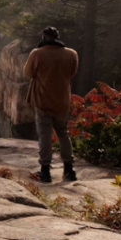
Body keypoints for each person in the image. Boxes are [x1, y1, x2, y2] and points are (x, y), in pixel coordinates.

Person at [24, 26, 79, 182]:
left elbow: (28, 73)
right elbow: (72, 73)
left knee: (45, 135)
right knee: (63, 133)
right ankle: (69, 169)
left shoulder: (37, 54)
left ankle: (45, 170)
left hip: (43, 101)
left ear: (43, 37)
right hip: (62, 100)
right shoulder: (71, 54)